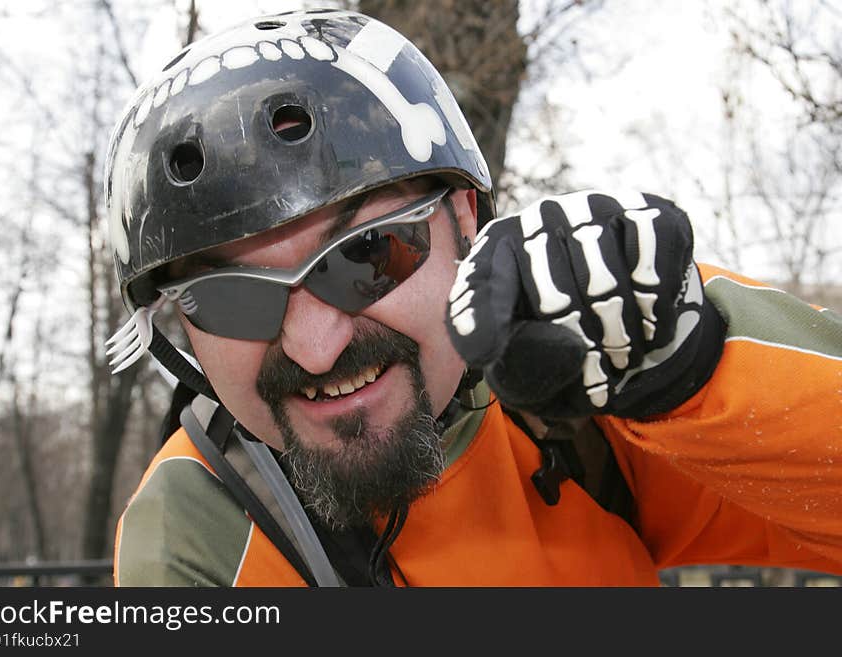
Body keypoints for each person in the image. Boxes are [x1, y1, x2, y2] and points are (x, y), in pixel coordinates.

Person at [104, 9, 842, 586]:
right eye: (231, 299)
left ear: (464, 221)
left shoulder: (581, 390)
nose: (316, 344)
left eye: (367, 254)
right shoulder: (196, 533)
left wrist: (698, 372)